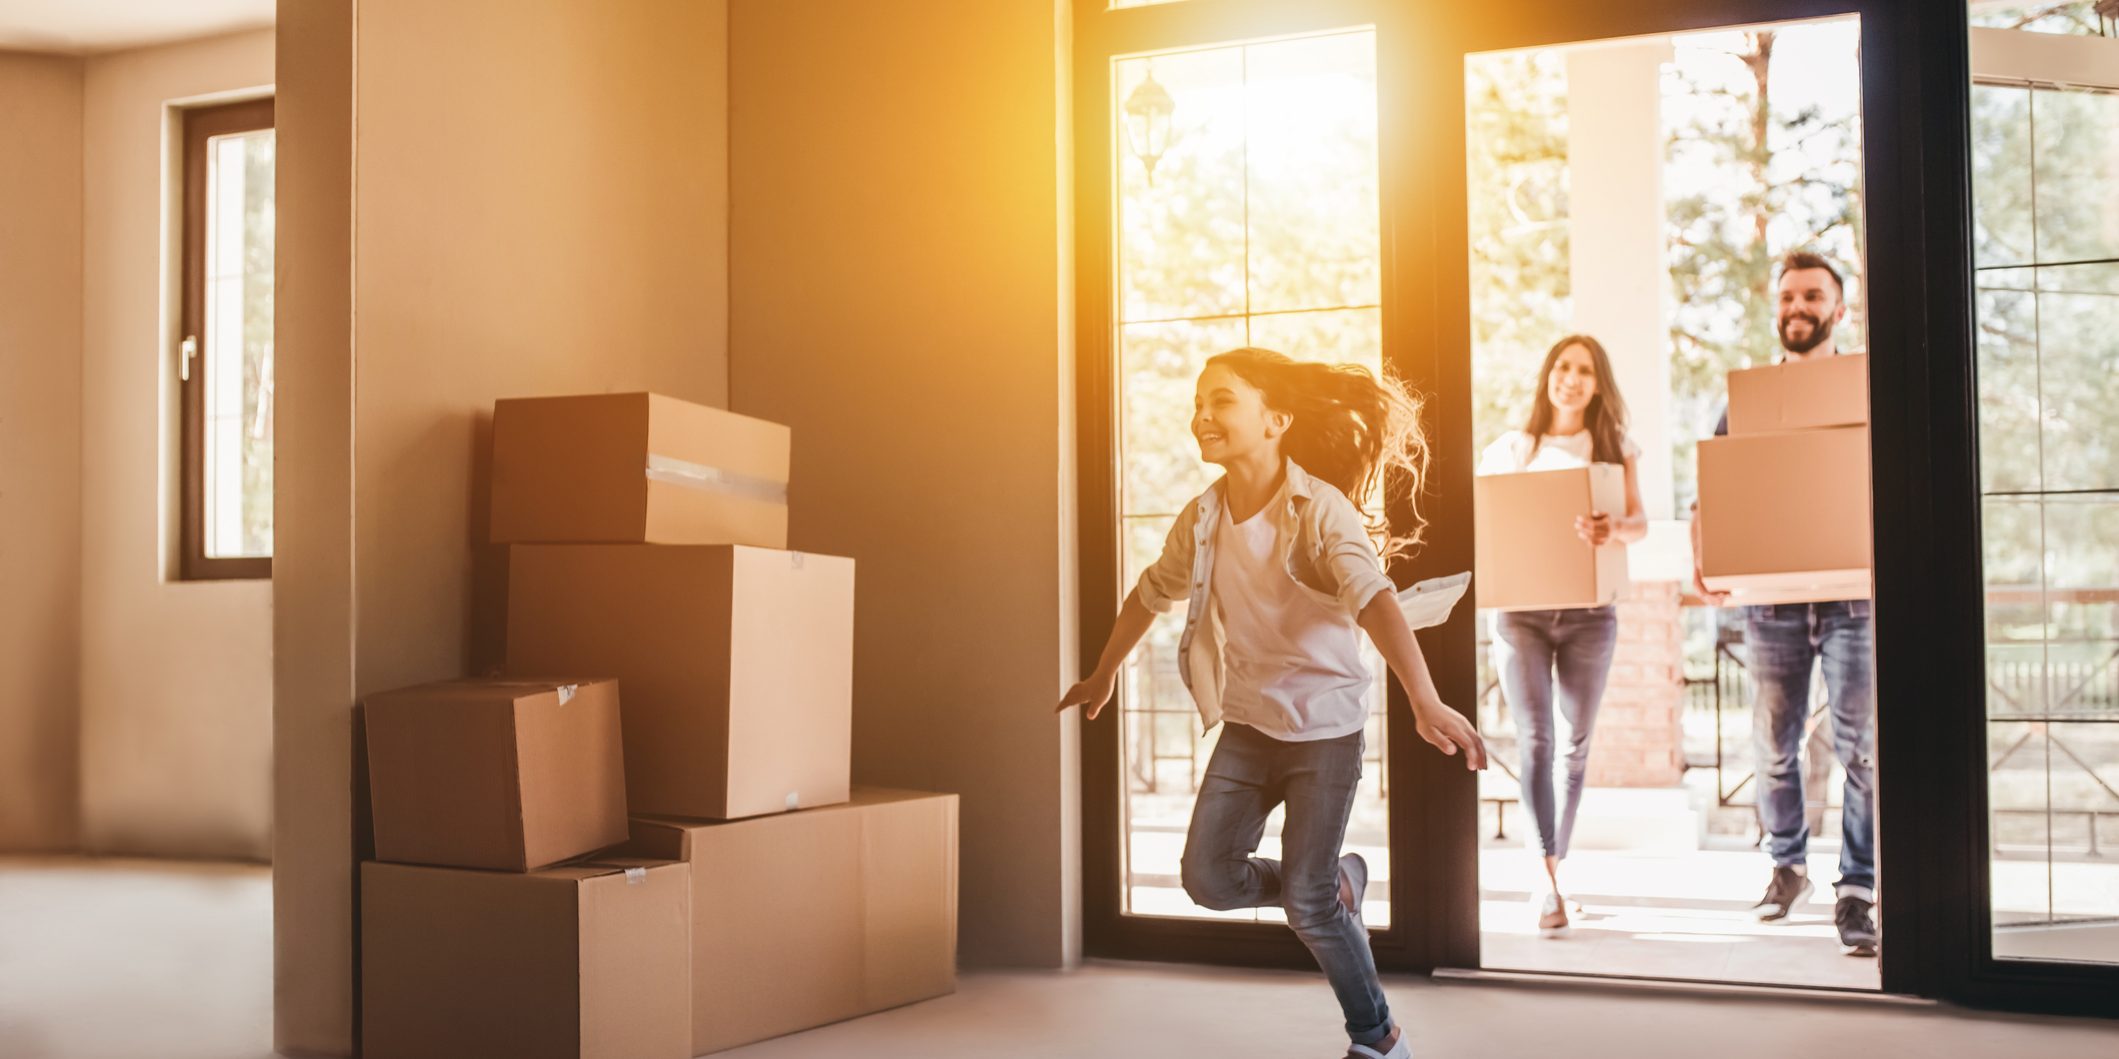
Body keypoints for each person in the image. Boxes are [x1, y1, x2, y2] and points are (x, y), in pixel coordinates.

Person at [1057, 347, 1486, 1059]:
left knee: (1308, 909)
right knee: (1206, 878)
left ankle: (1378, 1038)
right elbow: (1147, 592)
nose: (1202, 415)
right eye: (1198, 402)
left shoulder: (1321, 508)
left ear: (1275, 420)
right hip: (1250, 724)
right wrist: (1103, 672)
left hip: (1324, 730)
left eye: (1221, 400)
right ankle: (1333, 880)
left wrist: (1424, 699)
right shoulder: (1200, 518)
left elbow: (1373, 597)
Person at [1691, 251, 1879, 957]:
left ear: (1837, 308)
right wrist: (1704, 559)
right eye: (1787, 296)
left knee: (1861, 750)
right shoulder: (1744, 399)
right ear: (1776, 309)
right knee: (1773, 746)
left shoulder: (1862, 388)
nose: (1797, 306)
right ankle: (1786, 866)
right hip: (1769, 601)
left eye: (1812, 295)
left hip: (1853, 597)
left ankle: (1856, 888)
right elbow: (1709, 490)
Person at [1476, 335, 1648, 937]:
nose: (1571, 378)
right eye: (1562, 367)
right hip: (1521, 615)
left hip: (1589, 614)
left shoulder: (1613, 447)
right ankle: (1546, 881)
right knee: (1536, 741)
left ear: (1598, 384)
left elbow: (1640, 523)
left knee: (1574, 746)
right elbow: (1488, 523)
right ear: (1548, 375)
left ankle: (1554, 870)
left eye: (1584, 370)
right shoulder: (1511, 450)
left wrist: (1612, 528)